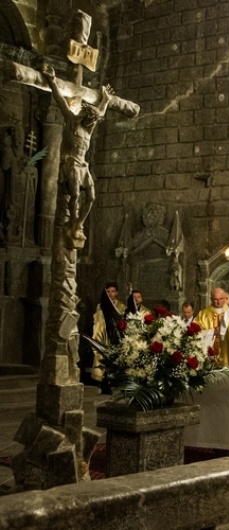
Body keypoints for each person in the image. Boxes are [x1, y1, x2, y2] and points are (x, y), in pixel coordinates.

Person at [41, 64, 113, 246]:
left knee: (91, 196)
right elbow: (59, 100)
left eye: (93, 120)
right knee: (74, 195)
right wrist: (52, 82)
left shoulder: (89, 129)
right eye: (90, 118)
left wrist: (105, 99)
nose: (92, 121)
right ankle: (73, 221)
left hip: (82, 165)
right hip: (71, 163)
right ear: (85, 115)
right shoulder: (72, 123)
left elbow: (101, 112)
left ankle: (78, 223)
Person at [91, 282, 125, 385]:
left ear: (117, 293)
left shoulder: (121, 306)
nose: (110, 294)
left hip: (114, 335)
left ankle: (113, 381)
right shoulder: (100, 306)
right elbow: (97, 319)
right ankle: (101, 381)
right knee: (100, 355)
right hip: (101, 333)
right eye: (108, 291)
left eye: (113, 291)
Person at [195, 287, 229, 360]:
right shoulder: (203, 314)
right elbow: (195, 332)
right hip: (208, 354)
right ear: (211, 299)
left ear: (225, 298)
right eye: (215, 299)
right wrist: (212, 332)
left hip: (227, 353)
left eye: (221, 299)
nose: (218, 302)